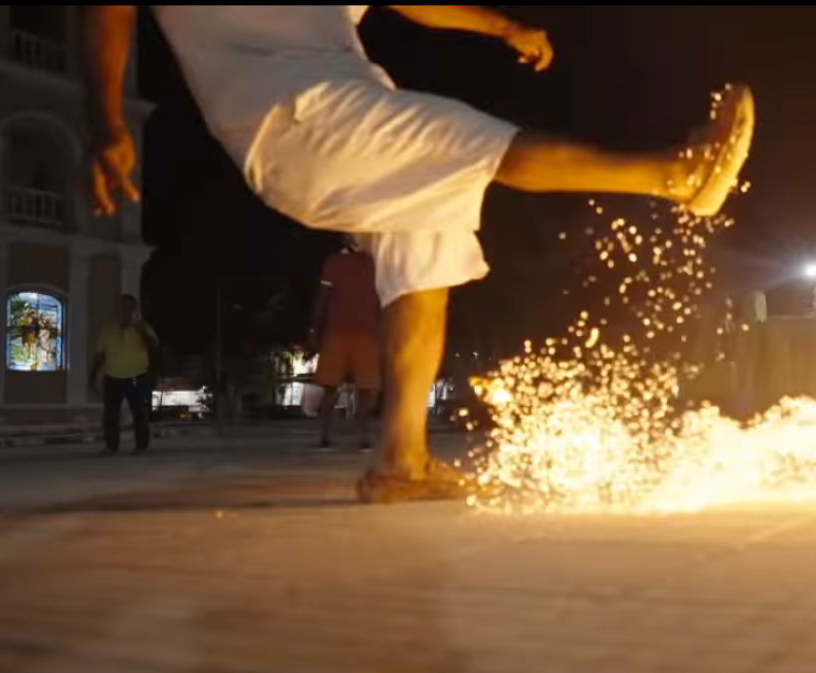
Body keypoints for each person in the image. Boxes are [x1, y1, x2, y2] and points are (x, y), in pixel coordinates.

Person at [81, 6, 756, 504]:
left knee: (426, 257)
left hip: (336, 118)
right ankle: (678, 177)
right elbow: (106, 12)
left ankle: (401, 459)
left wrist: (502, 29)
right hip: (300, 116)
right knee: (476, 145)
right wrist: (107, 122)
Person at [309, 239, 382, 452]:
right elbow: (322, 296)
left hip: (367, 332)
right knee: (329, 386)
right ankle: (324, 437)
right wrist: (313, 328)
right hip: (337, 331)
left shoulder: (375, 263)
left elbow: (383, 297)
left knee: (366, 389)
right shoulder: (335, 261)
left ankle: (364, 438)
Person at [90, 294, 159, 455]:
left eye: (129, 307)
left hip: (136, 376)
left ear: (134, 309)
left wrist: (139, 328)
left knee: (139, 412)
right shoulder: (109, 329)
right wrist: (92, 377)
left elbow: (153, 346)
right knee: (110, 414)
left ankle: (141, 446)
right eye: (122, 307)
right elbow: (100, 354)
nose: (125, 310)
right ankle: (111, 446)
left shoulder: (143, 328)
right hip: (112, 376)